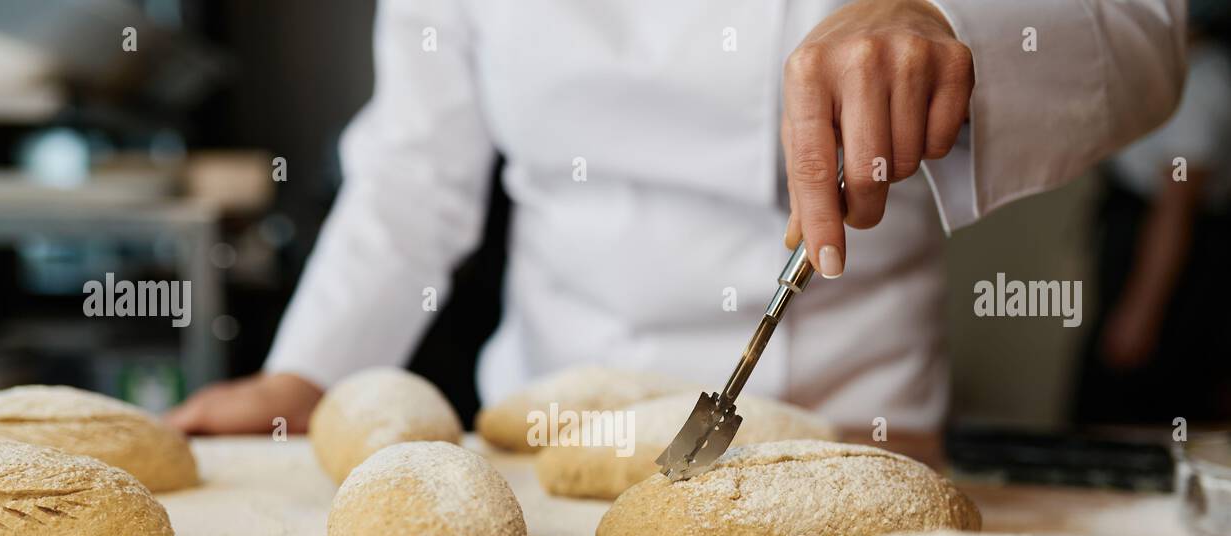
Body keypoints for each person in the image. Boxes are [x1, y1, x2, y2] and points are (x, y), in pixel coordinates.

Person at [167, 0, 1186, 436]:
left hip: (850, 431)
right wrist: (310, 376)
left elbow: (1144, 30)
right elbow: (413, 168)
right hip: (548, 434)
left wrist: (952, 26)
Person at [1074, 1, 1231, 427]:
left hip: (1171, 265)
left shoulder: (1203, 84)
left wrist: (1141, 313)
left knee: (1138, 400)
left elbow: (1175, 211)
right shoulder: (1169, 72)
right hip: (1133, 235)